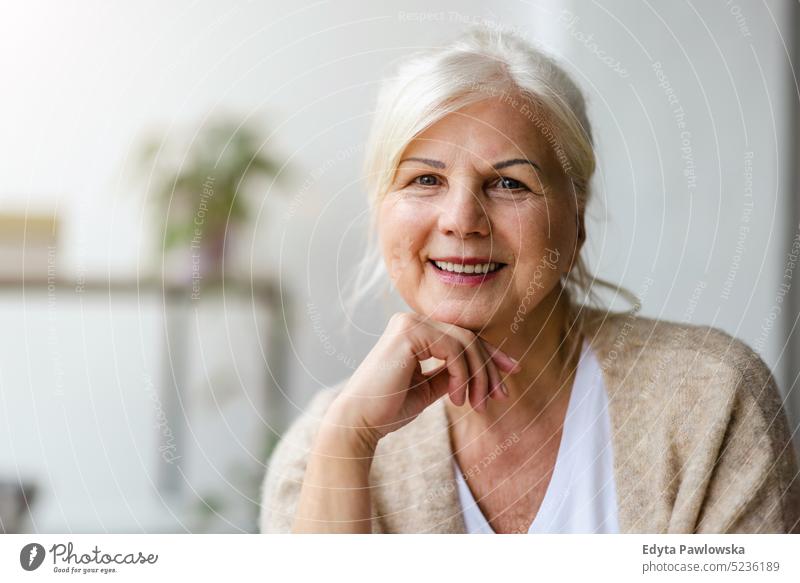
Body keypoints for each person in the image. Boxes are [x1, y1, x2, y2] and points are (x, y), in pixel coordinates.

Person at [259, 26, 800, 534]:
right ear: (381, 211)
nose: (461, 220)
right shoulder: (321, 448)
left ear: (577, 220)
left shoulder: (710, 400)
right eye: (425, 179)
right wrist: (348, 440)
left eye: (510, 184)